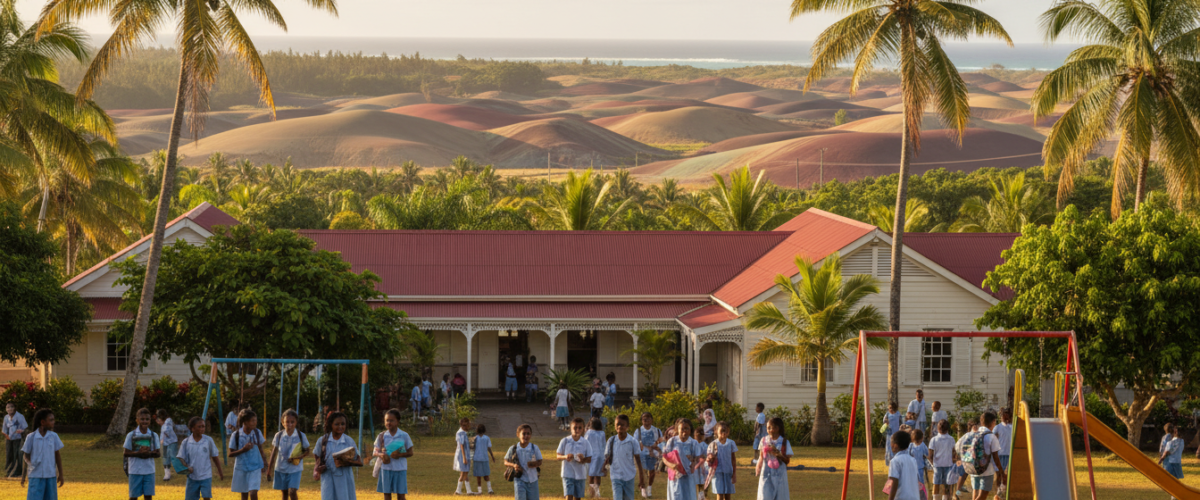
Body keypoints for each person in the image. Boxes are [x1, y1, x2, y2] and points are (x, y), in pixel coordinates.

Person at [314, 412, 361, 500]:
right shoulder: (323, 441)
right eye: (337, 424)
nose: (340, 426)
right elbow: (317, 457)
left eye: (343, 424)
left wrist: (346, 462)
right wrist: (318, 468)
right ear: (331, 424)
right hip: (328, 477)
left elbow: (359, 461)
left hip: (344, 478)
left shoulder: (349, 441)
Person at [177, 416, 224, 500]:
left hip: (206, 476)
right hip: (192, 477)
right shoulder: (186, 442)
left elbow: (215, 456)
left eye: (203, 426)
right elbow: (181, 458)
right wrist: (187, 467)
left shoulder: (208, 440)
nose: (202, 429)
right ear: (192, 428)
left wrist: (220, 471)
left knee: (206, 497)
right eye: (199, 427)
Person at [21, 409, 63, 500]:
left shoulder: (54, 436)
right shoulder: (31, 437)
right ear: (43, 422)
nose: (53, 422)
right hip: (35, 476)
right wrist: (25, 473)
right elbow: (26, 455)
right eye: (51, 420)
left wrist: (61, 474)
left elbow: (57, 455)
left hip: (50, 475)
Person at [268, 409, 310, 500]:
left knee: (292, 491)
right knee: (284, 493)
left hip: (295, 469)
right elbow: (274, 452)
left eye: (292, 422)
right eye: (287, 422)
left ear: (296, 422)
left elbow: (307, 451)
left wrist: (298, 457)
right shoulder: (279, 435)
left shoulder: (301, 435)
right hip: (281, 468)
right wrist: (269, 469)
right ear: (282, 422)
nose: (289, 424)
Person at [374, 409, 413, 500]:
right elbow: (375, 451)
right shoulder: (382, 436)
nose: (388, 423)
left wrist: (399, 455)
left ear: (397, 421)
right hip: (386, 469)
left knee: (401, 495)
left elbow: (410, 452)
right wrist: (381, 455)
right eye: (387, 420)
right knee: (387, 495)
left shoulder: (404, 435)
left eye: (391, 420)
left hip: (400, 469)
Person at [965, 412, 1006, 500]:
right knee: (982, 497)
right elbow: (995, 457)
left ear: (981, 422)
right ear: (993, 422)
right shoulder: (991, 436)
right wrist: (1001, 472)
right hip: (986, 471)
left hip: (973, 468)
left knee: (975, 493)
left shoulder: (974, 433)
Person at [229, 408, 267, 500]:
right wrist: (243, 449)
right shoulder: (236, 435)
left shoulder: (257, 433)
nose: (255, 423)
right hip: (241, 467)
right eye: (253, 421)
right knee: (244, 494)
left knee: (253, 492)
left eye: (255, 420)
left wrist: (265, 463)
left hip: (255, 467)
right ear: (245, 422)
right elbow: (230, 454)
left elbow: (261, 448)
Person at [123, 408, 161, 500]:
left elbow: (158, 454)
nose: (145, 421)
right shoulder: (131, 435)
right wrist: (139, 453)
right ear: (137, 420)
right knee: (133, 497)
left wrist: (149, 453)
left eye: (147, 419)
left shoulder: (154, 435)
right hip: (135, 471)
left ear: (150, 420)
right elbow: (126, 453)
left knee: (148, 496)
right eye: (142, 419)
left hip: (149, 471)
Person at [604, 414, 645, 500]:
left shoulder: (632, 441)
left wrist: (641, 477)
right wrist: (603, 467)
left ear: (627, 427)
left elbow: (638, 460)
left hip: (629, 476)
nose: (619, 426)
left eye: (622, 425)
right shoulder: (611, 441)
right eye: (617, 424)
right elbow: (607, 457)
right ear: (615, 426)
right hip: (616, 476)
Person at [755, 417, 792, 500]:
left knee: (780, 495)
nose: (767, 430)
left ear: (776, 428)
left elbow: (787, 458)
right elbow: (761, 456)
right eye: (767, 428)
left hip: (780, 474)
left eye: (769, 427)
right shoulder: (764, 440)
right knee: (765, 494)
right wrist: (758, 467)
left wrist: (776, 452)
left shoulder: (784, 442)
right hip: (766, 472)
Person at [557, 418, 593, 500]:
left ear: (583, 429)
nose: (577, 430)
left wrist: (583, 459)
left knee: (577, 497)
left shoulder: (585, 443)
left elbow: (589, 458)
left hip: (580, 474)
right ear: (570, 428)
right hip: (567, 473)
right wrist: (565, 456)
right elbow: (558, 456)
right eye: (575, 428)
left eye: (580, 428)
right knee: (568, 495)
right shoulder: (565, 441)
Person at [662, 418, 698, 500]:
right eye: (682, 429)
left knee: (688, 496)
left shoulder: (693, 443)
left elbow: (696, 457)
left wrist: (693, 462)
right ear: (677, 429)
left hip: (688, 476)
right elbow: (664, 457)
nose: (684, 431)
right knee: (676, 496)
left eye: (687, 428)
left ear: (690, 430)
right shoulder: (672, 441)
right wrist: (671, 465)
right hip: (676, 475)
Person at [505, 424, 543, 500]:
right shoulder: (514, 448)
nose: (526, 436)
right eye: (523, 434)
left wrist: (533, 464)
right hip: (519, 480)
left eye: (528, 434)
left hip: (533, 480)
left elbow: (540, 461)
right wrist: (514, 465)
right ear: (518, 435)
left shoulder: (534, 448)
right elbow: (506, 461)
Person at [634, 412, 663, 499]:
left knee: (652, 471)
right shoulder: (638, 431)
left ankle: (649, 487)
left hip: (653, 453)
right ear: (642, 421)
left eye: (648, 419)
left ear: (652, 420)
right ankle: (642, 487)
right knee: (642, 471)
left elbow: (661, 441)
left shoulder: (656, 430)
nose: (646, 421)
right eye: (644, 419)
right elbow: (635, 443)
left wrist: (655, 447)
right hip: (642, 453)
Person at [886, 430, 920, 500]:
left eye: (891, 443)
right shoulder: (913, 460)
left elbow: (894, 481)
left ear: (895, 445)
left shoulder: (895, 461)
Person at [928, 420, 957, 500]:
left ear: (938, 428)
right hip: (948, 464)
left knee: (936, 484)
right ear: (948, 429)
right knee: (946, 485)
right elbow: (954, 452)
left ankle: (935, 498)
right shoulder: (951, 439)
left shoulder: (934, 440)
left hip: (937, 465)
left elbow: (930, 455)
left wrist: (932, 464)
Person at [709, 422, 737, 500]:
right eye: (722, 430)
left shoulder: (731, 443)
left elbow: (733, 459)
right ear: (716, 431)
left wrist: (734, 473)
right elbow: (709, 458)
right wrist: (711, 458)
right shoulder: (713, 444)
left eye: (726, 431)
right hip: (718, 473)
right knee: (720, 493)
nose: (724, 433)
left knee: (728, 494)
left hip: (728, 472)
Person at [4, 402, 28, 478]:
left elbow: (25, 428)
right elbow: (4, 430)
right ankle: (9, 471)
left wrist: (20, 431)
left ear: (15, 408)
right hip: (9, 439)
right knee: (9, 455)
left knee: (18, 455)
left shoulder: (20, 416)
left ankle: (18, 472)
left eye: (11, 407)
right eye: (8, 407)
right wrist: (7, 436)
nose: (9, 409)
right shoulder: (6, 417)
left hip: (18, 439)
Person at [155, 409, 179, 482]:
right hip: (165, 442)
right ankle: (167, 473)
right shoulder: (165, 422)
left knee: (173, 456)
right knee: (165, 456)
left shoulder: (168, 420)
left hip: (171, 441)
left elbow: (167, 430)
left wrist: (163, 438)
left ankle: (181, 469)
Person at [586, 418, 607, 498]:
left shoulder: (589, 433)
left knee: (591, 474)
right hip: (600, 456)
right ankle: (597, 491)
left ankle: (592, 491)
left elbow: (585, 442)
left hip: (591, 456)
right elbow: (604, 445)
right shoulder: (602, 433)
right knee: (598, 475)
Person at [472, 424, 494, 495]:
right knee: (486, 474)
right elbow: (489, 448)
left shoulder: (475, 438)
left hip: (477, 458)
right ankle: (490, 489)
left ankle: (480, 490)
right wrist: (492, 456)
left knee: (478, 476)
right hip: (485, 458)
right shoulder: (487, 438)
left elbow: (472, 448)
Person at [453, 417, 472, 495]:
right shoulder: (461, 433)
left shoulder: (463, 432)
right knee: (463, 473)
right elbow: (461, 445)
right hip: (462, 455)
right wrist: (464, 457)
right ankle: (458, 491)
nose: (468, 427)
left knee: (465, 473)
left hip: (465, 454)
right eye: (467, 425)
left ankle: (468, 491)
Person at [691, 427, 708, 500]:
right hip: (695, 467)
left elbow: (707, 455)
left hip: (701, 468)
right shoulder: (693, 444)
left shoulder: (704, 445)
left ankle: (701, 497)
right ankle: (698, 497)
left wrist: (703, 457)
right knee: (695, 483)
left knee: (701, 483)